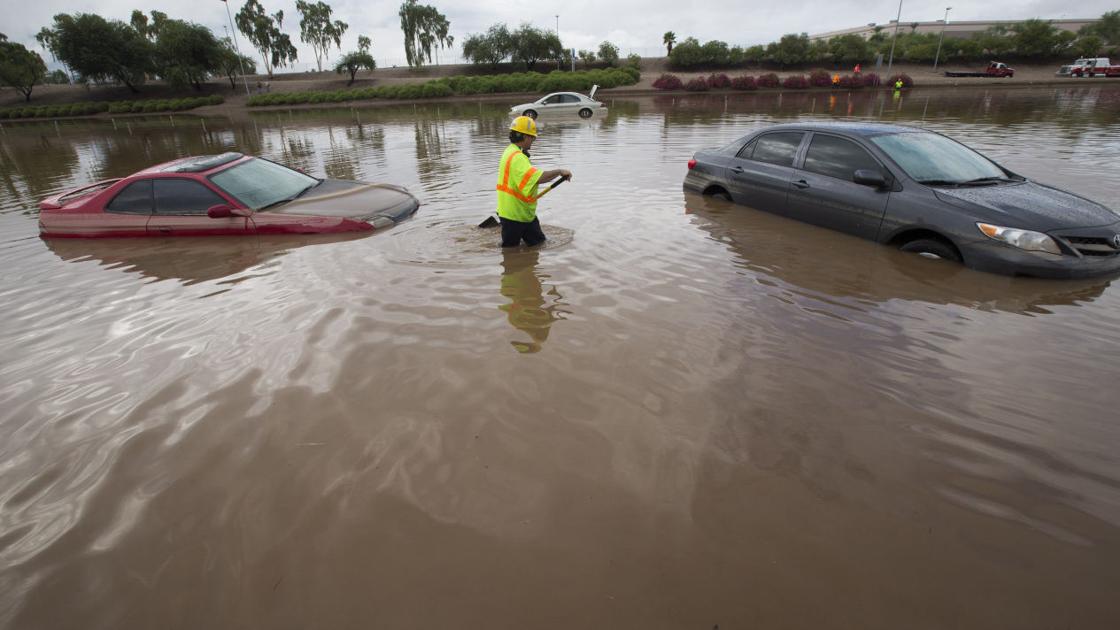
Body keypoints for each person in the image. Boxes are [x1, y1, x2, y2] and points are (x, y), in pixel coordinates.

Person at [496, 116, 572, 248]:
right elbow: (539, 178)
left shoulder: (510, 151)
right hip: (514, 216)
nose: (533, 140)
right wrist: (559, 171)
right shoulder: (517, 158)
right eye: (532, 137)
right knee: (510, 253)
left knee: (539, 244)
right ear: (524, 137)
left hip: (524, 214)